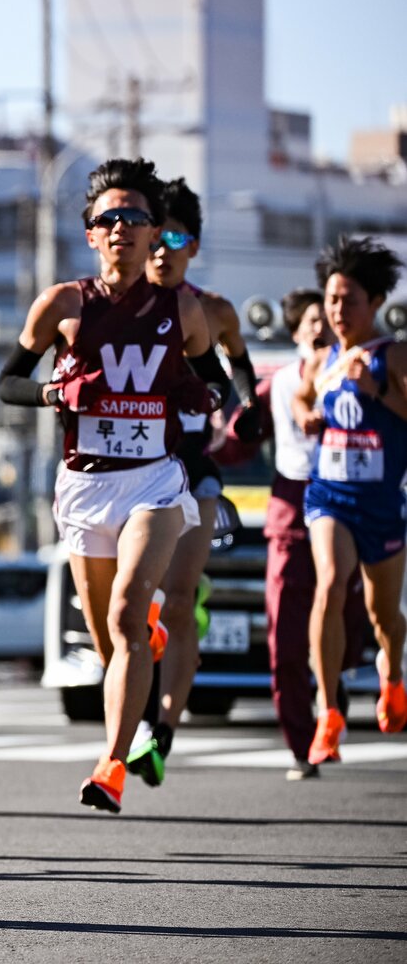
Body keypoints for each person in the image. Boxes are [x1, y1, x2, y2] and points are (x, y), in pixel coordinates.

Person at [0, 157, 230, 813]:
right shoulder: (64, 304)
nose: (122, 227)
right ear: (91, 233)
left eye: (135, 217)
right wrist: (51, 391)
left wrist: (197, 396)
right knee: (110, 644)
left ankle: (111, 765)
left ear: (156, 233)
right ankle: (143, 655)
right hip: (83, 486)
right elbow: (6, 382)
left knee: (129, 614)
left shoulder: (183, 309)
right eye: (110, 218)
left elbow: (219, 385)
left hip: (154, 482)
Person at [126, 177, 259, 788]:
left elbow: (241, 373)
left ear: (193, 246)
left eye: (175, 236)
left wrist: (245, 407)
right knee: (130, 610)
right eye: (155, 235)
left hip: (193, 468)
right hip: (126, 471)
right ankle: (136, 713)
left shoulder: (214, 311)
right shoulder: (114, 309)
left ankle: (163, 733)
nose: (162, 249)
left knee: (177, 602)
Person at [226, 288, 371, 778]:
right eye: (309, 320)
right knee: (285, 638)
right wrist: (207, 441)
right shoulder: (278, 382)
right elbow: (237, 440)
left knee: (353, 618)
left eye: (325, 320)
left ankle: (335, 681)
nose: (318, 327)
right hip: (291, 514)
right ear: (294, 331)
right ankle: (300, 743)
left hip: (346, 506)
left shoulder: (359, 376)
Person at [290, 236, 407, 764]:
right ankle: (328, 709)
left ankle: (393, 669)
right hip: (328, 496)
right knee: (332, 583)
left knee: (383, 614)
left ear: (376, 301)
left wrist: (378, 392)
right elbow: (300, 395)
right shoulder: (323, 360)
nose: (338, 310)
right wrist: (305, 418)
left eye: (349, 300)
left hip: (381, 504)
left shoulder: (396, 355)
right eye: (332, 299)